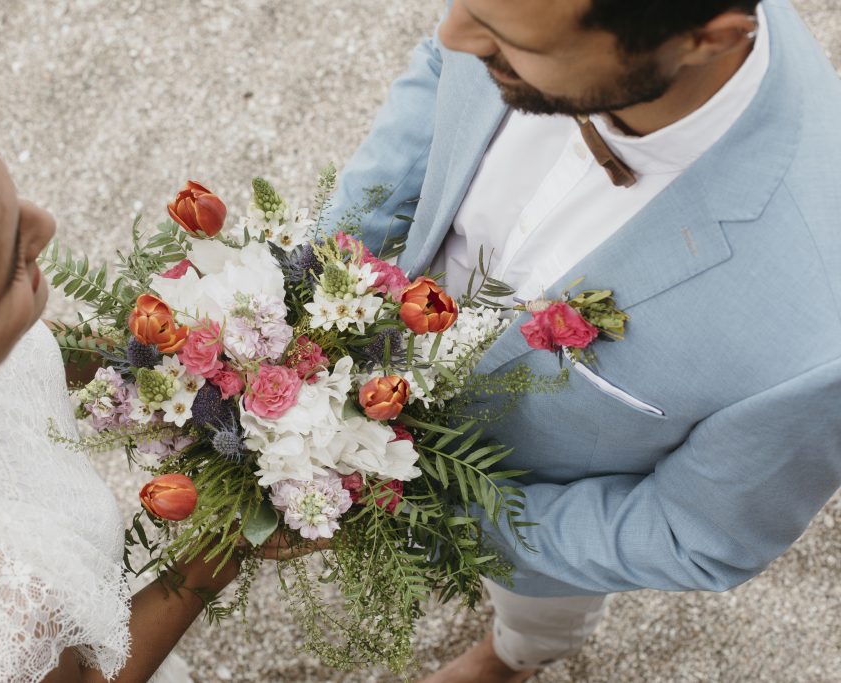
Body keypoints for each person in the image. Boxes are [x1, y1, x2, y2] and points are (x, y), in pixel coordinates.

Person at [324, 0, 841, 681]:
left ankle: (513, 657)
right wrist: (322, 272)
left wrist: (427, 502)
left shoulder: (816, 336)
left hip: (533, 518)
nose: (453, 30)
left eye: (509, 41)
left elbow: (695, 535)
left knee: (538, 617)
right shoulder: (504, 21)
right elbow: (439, 73)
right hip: (381, 348)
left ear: (705, 41)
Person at [0, 52, 297, 682]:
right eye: (10, 266)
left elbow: (32, 348)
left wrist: (177, 352)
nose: (47, 226)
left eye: (16, 205)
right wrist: (222, 552)